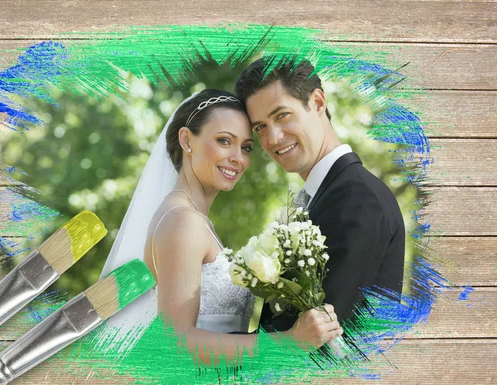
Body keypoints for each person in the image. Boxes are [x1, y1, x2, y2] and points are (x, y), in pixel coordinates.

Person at [100, 89, 343, 365]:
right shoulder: (183, 221)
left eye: (246, 147)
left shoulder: (191, 217)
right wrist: (288, 343)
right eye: (224, 141)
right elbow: (176, 342)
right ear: (186, 140)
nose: (238, 157)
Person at [234, 56, 406, 331]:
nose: (273, 138)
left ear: (317, 103)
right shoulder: (321, 197)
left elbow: (326, 345)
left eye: (282, 115)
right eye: (260, 127)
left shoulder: (357, 199)